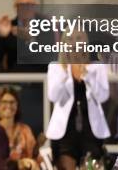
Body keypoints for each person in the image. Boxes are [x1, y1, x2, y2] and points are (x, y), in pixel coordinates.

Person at [46, 30, 110, 170]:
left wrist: (87, 75)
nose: (74, 42)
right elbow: (53, 96)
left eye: (79, 38)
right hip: (65, 133)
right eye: (70, 39)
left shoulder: (97, 67)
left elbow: (103, 96)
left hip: (90, 130)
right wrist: (66, 72)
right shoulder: (56, 67)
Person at [0, 0, 45, 73]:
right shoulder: (9, 26)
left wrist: (30, 38)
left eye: (29, 4)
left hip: (40, 81)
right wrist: (3, 37)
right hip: (15, 81)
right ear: (15, 7)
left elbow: (48, 59)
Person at [0, 85, 39, 165]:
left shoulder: (25, 130)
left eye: (12, 102)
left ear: (17, 105)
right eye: (4, 102)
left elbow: (34, 158)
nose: (9, 106)